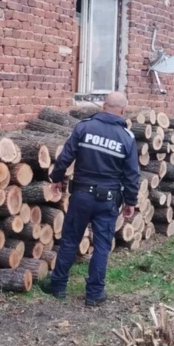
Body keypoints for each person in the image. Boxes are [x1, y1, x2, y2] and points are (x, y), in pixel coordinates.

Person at [41, 92, 140, 306]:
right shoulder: (127, 138)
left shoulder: (83, 128)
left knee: (69, 241)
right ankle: (94, 294)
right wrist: (131, 201)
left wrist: (56, 178)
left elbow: (65, 156)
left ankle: (57, 285)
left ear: (104, 106)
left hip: (81, 196)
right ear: (123, 111)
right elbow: (132, 174)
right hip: (108, 200)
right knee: (102, 246)